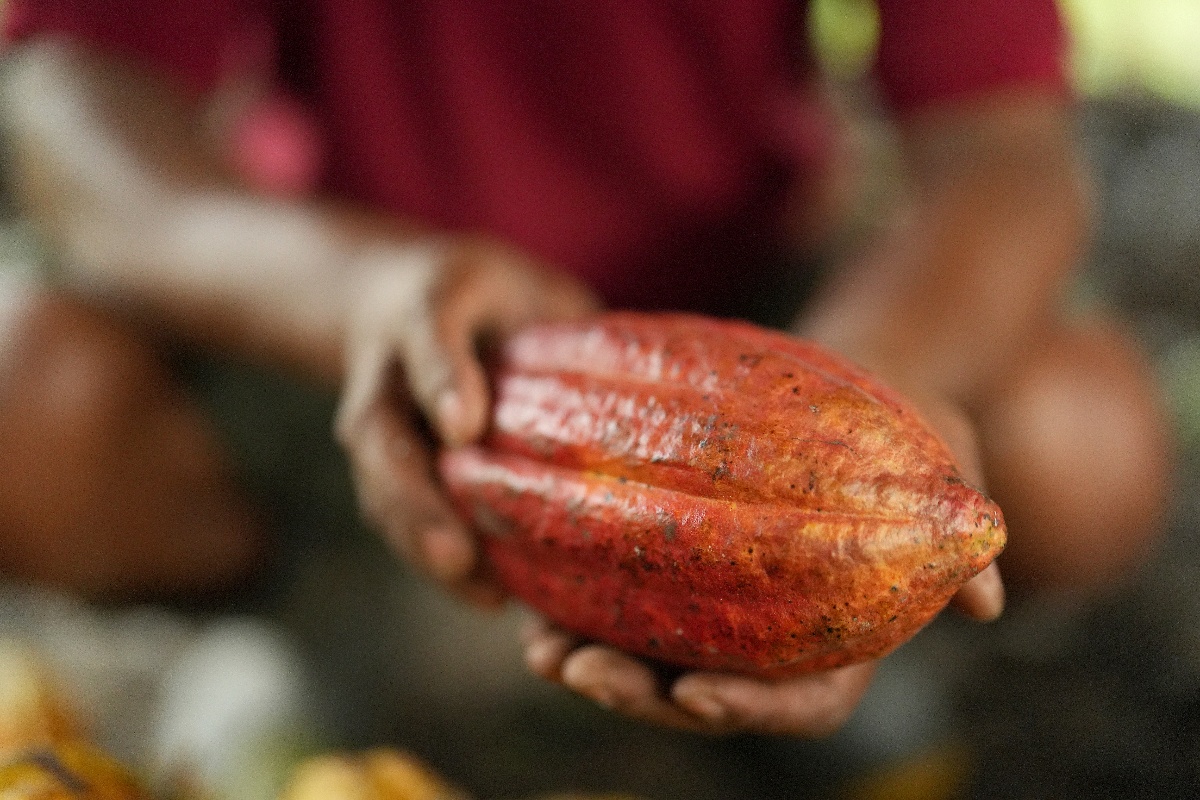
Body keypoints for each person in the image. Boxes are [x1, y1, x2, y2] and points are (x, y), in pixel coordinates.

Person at [0, 0, 1173, 738]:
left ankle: (827, 660)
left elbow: (1008, 145)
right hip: (362, 312)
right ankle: (338, 615)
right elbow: (76, 102)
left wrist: (876, 369)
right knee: (23, 405)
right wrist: (355, 290)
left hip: (758, 305)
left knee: (1082, 437)